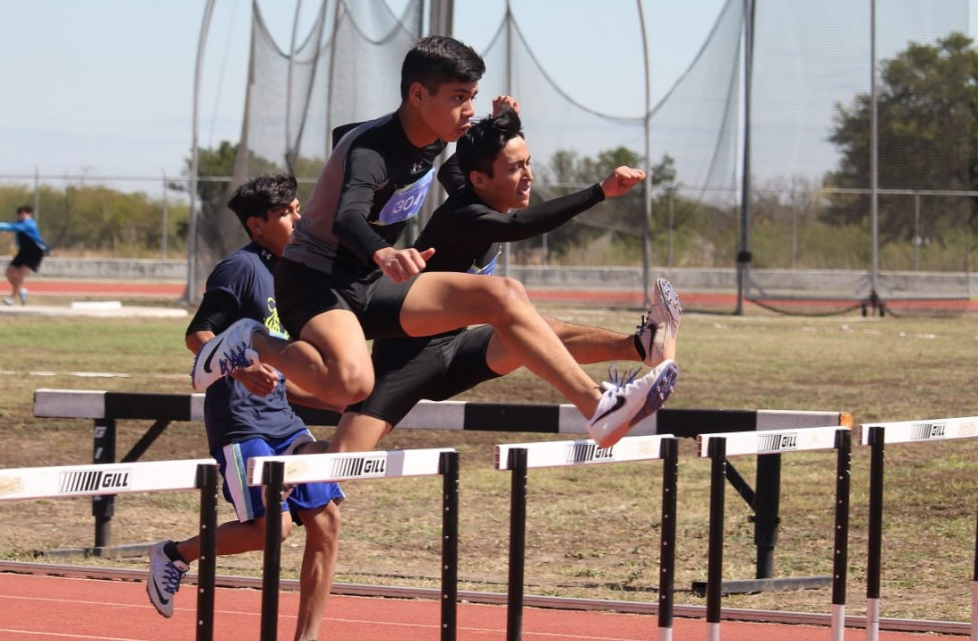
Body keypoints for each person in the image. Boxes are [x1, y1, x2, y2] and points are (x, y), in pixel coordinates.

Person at [192, 35, 674, 449]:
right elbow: (347, 216)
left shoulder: (438, 137)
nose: (469, 109)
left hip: (371, 279)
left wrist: (500, 122)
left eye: (474, 96)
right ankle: (248, 339)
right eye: (459, 97)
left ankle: (599, 407)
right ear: (418, 95)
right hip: (317, 280)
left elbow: (468, 158)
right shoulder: (372, 150)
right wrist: (381, 249)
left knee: (504, 295)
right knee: (350, 385)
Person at [312, 106, 681, 453]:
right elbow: (522, 225)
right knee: (335, 467)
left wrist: (505, 120)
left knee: (533, 327)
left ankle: (642, 346)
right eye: (515, 168)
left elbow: (451, 171)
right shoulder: (465, 215)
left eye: (529, 163)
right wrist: (599, 192)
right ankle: (276, 495)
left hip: (458, 348)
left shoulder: (470, 186)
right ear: (480, 179)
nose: (529, 176)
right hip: (407, 359)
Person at [147, 175, 343, 641]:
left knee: (326, 522)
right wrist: (238, 371)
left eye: (299, 208)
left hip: (284, 420)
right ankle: (176, 553)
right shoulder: (240, 269)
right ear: (257, 224)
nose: (299, 218)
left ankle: (307, 638)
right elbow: (198, 335)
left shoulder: (296, 272)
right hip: (240, 423)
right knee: (271, 531)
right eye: (288, 212)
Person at [0, 205, 50, 305]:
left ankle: (11, 298)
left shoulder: (30, 224)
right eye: (20, 213)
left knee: (20, 275)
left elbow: (13, 227)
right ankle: (21, 291)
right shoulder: (19, 223)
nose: (22, 215)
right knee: (9, 273)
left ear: (29, 214)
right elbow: (10, 225)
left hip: (35, 252)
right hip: (23, 251)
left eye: (25, 213)